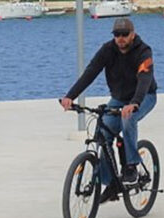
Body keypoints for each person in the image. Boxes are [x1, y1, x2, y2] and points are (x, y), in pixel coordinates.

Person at [60, 17, 157, 204]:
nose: (120, 38)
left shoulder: (143, 51)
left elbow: (145, 79)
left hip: (144, 97)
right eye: (117, 35)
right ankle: (111, 183)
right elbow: (90, 72)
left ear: (132, 34)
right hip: (119, 98)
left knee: (128, 119)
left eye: (124, 35)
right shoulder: (108, 50)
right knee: (103, 133)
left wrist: (135, 103)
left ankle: (131, 166)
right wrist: (70, 96)